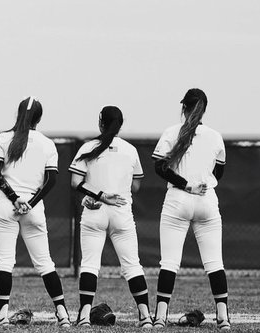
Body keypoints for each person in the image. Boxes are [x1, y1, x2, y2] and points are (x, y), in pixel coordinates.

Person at [0, 96, 72, 327]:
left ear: (18, 114)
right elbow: (51, 180)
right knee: (45, 263)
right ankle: (63, 314)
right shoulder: (46, 143)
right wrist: (30, 203)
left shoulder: (4, 138)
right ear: (39, 117)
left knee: (4, 261)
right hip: (33, 209)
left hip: (6, 206)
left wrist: (15, 198)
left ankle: (2, 315)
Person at [150, 88, 230, 330]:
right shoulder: (215, 136)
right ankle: (223, 318)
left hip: (178, 199)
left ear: (183, 106)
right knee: (215, 262)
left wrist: (186, 185)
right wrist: (199, 183)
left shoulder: (171, 132)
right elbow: (219, 173)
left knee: (170, 262)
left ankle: (160, 317)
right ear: (204, 109)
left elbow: (160, 168)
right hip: (207, 200)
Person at [68, 106, 153, 328]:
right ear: (121, 124)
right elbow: (135, 186)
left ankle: (84, 316)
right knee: (132, 266)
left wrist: (97, 194)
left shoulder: (88, 147)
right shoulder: (130, 150)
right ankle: (145, 316)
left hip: (94, 210)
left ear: (100, 123)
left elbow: (76, 183)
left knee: (89, 265)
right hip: (121, 212)